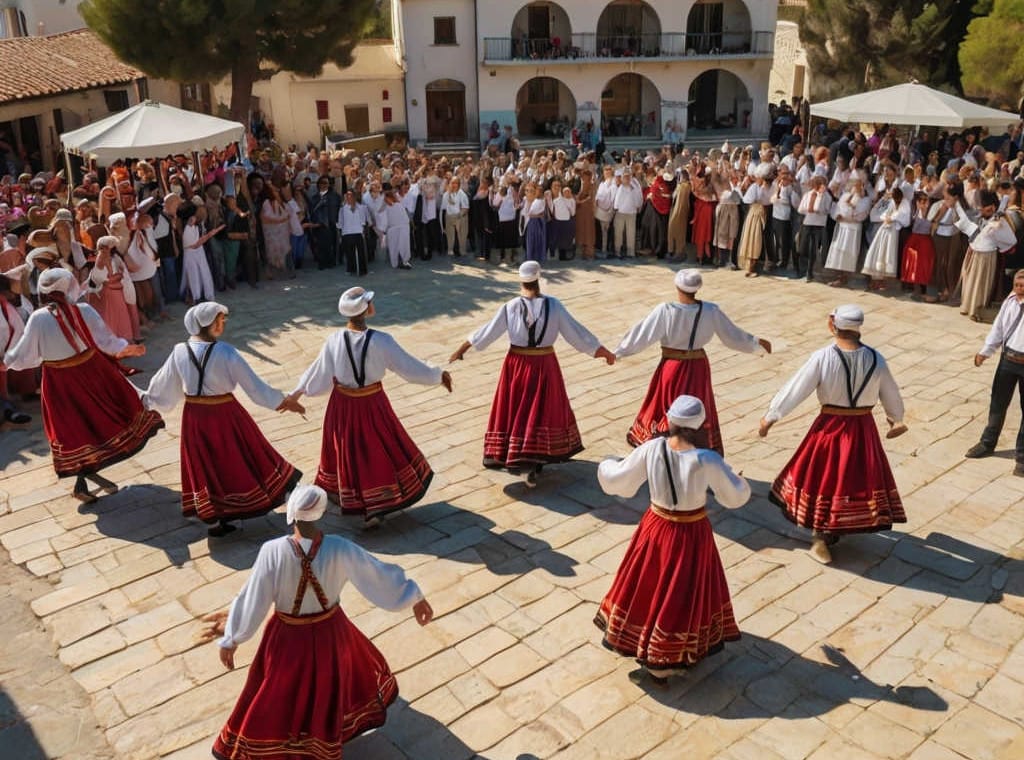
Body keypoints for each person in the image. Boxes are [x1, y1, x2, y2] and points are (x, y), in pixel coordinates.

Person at [203, 485, 434, 760]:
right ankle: (321, 738)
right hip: (331, 632)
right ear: (321, 512)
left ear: (291, 513)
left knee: (281, 690)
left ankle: (286, 741)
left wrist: (232, 639)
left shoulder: (272, 551)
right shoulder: (340, 547)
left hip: (287, 636)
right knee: (327, 687)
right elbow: (377, 573)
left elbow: (253, 599)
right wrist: (414, 596)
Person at [594, 395, 750, 687]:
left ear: (671, 421)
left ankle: (647, 643)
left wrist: (606, 464)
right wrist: (739, 481)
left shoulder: (652, 448)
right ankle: (669, 651)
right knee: (684, 589)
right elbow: (734, 497)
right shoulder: (707, 459)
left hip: (656, 527)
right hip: (692, 532)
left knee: (649, 583)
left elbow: (620, 481)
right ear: (700, 425)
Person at [286, 287, 452, 523]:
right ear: (366, 309)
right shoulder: (382, 341)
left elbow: (317, 372)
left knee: (347, 448)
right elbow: (408, 366)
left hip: (342, 406)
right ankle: (378, 501)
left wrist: (295, 394)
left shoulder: (334, 341)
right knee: (376, 448)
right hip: (372, 403)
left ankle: (348, 495)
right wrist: (437, 375)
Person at [758, 305, 907, 564]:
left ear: (832, 325)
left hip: (830, 428)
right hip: (863, 430)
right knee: (851, 477)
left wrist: (771, 416)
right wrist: (895, 417)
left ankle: (821, 536)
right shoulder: (876, 359)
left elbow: (797, 388)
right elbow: (891, 392)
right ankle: (837, 527)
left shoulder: (823, 357)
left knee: (825, 479)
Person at [140, 303, 305, 537]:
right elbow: (254, 387)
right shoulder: (226, 352)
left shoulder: (179, 351)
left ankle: (214, 519)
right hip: (226, 414)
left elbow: (163, 386)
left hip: (195, 418)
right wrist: (283, 401)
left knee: (206, 462)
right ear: (209, 324)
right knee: (244, 455)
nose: (222, 324)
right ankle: (257, 499)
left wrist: (147, 401)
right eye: (220, 320)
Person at [2, 269, 163, 502]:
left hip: (58, 382)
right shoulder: (83, 311)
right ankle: (83, 480)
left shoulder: (38, 318)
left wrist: (6, 363)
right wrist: (126, 348)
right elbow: (106, 341)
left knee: (74, 429)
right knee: (96, 422)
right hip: (90, 373)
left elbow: (25, 354)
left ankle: (83, 480)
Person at [449, 261, 615, 485]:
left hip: (517, 365)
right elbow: (576, 333)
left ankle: (518, 453)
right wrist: (601, 351)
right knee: (542, 409)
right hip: (545, 364)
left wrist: (462, 349)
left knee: (518, 407)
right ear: (538, 279)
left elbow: (488, 331)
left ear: (521, 281)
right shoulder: (554, 306)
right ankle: (535, 455)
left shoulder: (510, 306)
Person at [616, 269, 770, 452]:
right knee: (697, 405)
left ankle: (665, 447)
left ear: (677, 287)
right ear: (697, 288)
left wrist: (618, 352)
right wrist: (756, 344)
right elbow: (732, 335)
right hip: (698, 367)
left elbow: (643, 334)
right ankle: (695, 444)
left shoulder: (666, 310)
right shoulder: (711, 310)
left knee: (667, 406)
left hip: (672, 367)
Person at [964, 270, 1024, 476]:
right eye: (1017, 285)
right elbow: (998, 328)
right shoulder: (1010, 302)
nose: (1019, 289)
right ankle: (987, 443)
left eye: (1023, 286)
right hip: (1008, 360)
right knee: (998, 403)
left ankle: (1022, 458)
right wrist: (985, 352)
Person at [956, 189, 1018, 322]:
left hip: (987, 256)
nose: (980, 209)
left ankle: (978, 310)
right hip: (975, 252)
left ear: (992, 207)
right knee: (971, 281)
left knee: (981, 284)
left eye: (983, 207)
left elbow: (1011, 240)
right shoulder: (982, 217)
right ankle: (968, 306)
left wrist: (997, 230)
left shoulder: (999, 222)